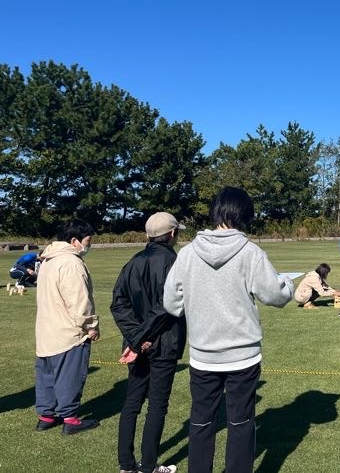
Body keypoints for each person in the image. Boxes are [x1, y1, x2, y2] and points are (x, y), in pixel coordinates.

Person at [163, 186, 294, 473]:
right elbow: (276, 295)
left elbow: (171, 303)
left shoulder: (187, 254)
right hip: (242, 356)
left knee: (201, 422)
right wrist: (288, 282)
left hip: (203, 355)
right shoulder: (250, 252)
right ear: (245, 215)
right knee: (241, 423)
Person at [111, 212, 187, 473]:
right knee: (155, 405)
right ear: (172, 234)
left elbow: (119, 303)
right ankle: (146, 467)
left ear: (148, 235)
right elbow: (167, 306)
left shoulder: (133, 261)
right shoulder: (174, 262)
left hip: (138, 343)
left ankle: (127, 465)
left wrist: (136, 337)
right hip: (162, 341)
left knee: (133, 402)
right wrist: (142, 337)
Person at [34, 219, 100, 435]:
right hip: (67, 331)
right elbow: (78, 300)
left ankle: (46, 416)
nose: (89, 245)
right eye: (87, 241)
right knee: (70, 374)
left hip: (46, 329)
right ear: (74, 241)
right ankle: (70, 419)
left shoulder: (47, 259)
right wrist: (90, 325)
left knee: (46, 375)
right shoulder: (71, 262)